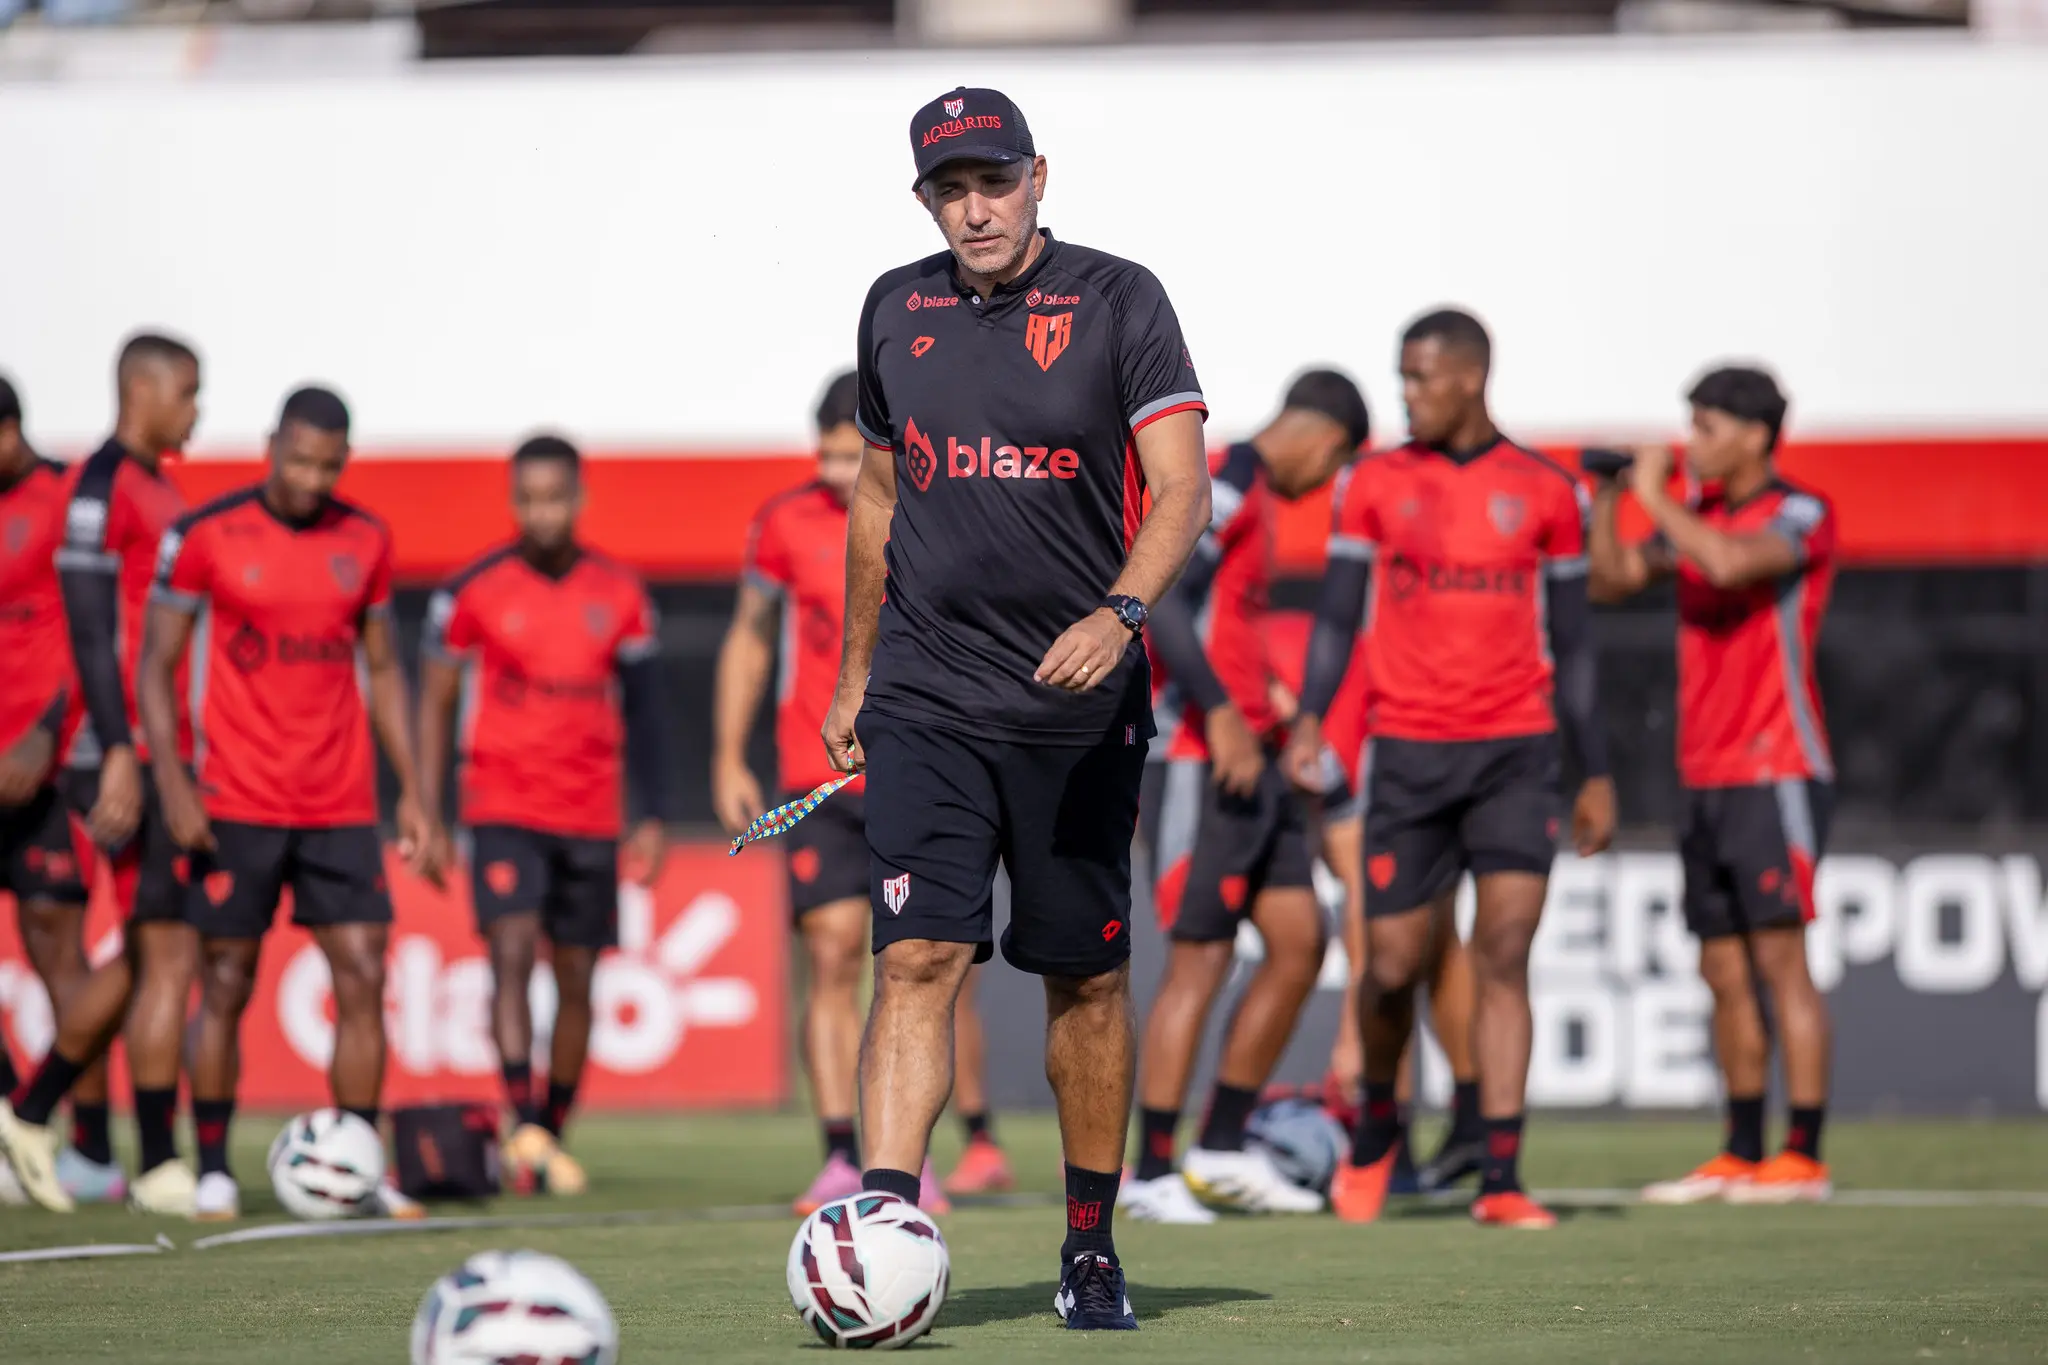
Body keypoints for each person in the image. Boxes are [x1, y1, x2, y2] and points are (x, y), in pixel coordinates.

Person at [823, 87, 1210, 1330]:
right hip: (926, 698)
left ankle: (1089, 1244)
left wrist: (1120, 615)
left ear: (1038, 176)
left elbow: (1179, 492)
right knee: (917, 957)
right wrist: (851, 675)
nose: (972, 206)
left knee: (1081, 985)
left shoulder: (1121, 299)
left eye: (992, 180)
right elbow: (876, 503)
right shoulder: (895, 305)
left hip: (1074, 712)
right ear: (923, 197)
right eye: (948, 188)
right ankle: (886, 1226)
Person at [1281, 308, 1616, 1230]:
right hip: (1412, 756)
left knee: (1504, 952)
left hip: (1517, 754)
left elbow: (1578, 647)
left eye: (1420, 378)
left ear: (1470, 378)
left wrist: (1595, 771)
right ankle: (1379, 1132)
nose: (1408, 395)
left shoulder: (1547, 490)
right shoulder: (1374, 483)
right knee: (1389, 967)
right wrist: (1311, 715)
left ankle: (1502, 1176)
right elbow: (1340, 615)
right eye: (1403, 378)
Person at [713, 374, 1011, 1218]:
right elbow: (748, 635)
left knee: (928, 969)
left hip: (926, 769)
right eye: (828, 452)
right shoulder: (782, 524)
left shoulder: (937, 507)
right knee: (835, 955)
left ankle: (943, 1144)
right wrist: (729, 755)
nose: (840, 470)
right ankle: (843, 1155)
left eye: (855, 452)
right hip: (820, 775)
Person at [140, 385, 439, 1222]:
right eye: (299, 459)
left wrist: (413, 790)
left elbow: (383, 670)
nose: (312, 478)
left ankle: (358, 1163)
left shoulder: (366, 538)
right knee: (226, 979)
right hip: (235, 799)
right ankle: (212, 1169)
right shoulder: (207, 534)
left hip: (338, 801)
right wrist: (173, 781)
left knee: (363, 973)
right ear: (272, 445)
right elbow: (155, 665)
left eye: (329, 465)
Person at [1587, 365, 1837, 1205]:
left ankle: (1802, 1153)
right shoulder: (1699, 520)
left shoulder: (1799, 513)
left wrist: (1657, 497)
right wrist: (1607, 497)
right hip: (1707, 769)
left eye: (1707, 426)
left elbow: (1731, 565)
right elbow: (1612, 577)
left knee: (1779, 962)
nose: (1691, 442)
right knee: (1722, 969)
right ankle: (1739, 1148)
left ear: (1757, 435)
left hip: (1778, 766)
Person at [1122, 370, 1367, 1224]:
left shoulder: (1253, 491)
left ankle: (1220, 1145)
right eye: (1337, 465)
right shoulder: (1226, 481)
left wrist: (1271, 707)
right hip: (1197, 752)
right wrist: (1225, 716)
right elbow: (1162, 604)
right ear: (1328, 439)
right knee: (1202, 959)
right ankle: (1149, 1171)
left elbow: (1229, 623)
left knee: (1302, 940)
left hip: (1252, 754)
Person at [418, 434, 673, 1197]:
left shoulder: (621, 593)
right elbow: (432, 700)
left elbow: (650, 713)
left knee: (576, 977)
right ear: (512, 500)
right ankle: (523, 1115)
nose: (541, 513)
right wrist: (425, 806)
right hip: (503, 800)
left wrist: (652, 813)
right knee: (508, 950)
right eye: (527, 499)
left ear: (578, 496)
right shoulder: (474, 588)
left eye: (554, 497)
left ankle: (547, 1131)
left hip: (591, 812)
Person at [0, 334, 204, 1216]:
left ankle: (103, 1144)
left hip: (113, 748)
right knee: (165, 940)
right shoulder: (109, 485)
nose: (196, 409)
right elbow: (98, 624)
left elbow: (114, 625)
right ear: (147, 388)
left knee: (147, 944)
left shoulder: (120, 488)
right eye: (189, 392)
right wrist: (117, 744)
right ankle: (46, 1118)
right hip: (120, 747)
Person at [0, 376, 122, 1206]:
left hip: (42, 762)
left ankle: (89, 1149)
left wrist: (46, 731)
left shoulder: (63, 497)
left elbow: (94, 629)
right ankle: (15, 1115)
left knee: (57, 952)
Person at [1313, 645, 1486, 1195]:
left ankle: (1395, 1137)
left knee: (1397, 938)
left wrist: (1348, 1038)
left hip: (1388, 727)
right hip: (1440, 718)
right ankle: (1470, 1116)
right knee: (1435, 935)